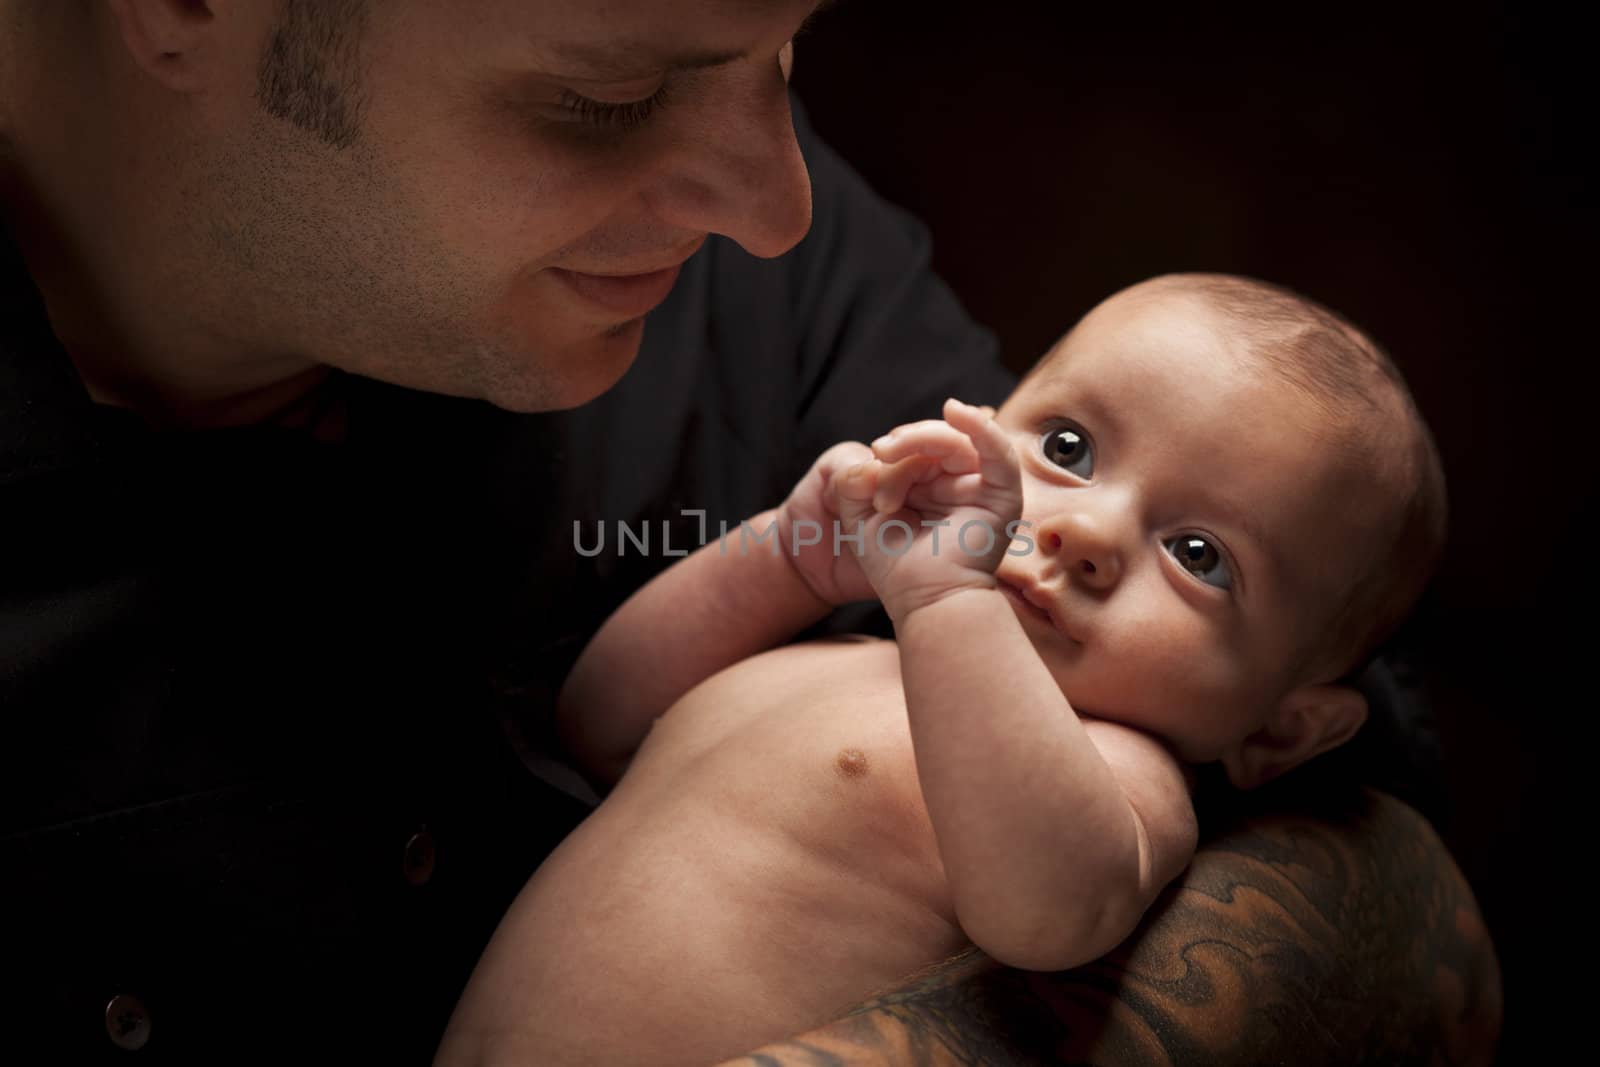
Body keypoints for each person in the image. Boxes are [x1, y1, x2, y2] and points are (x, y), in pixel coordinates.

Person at [0, 1, 1500, 1063]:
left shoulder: (1069, 706)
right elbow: (611, 706)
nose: (774, 210)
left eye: (784, 60)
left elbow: (1379, 825)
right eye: (604, 97)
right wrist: (783, 554)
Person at [433, 274, 1447, 1065]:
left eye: (1199, 555)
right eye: (1068, 445)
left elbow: (1047, 912)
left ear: (1278, 728)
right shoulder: (832, 652)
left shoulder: (1117, 775)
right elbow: (596, 722)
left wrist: (947, 603)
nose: (1085, 527)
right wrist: (786, 557)